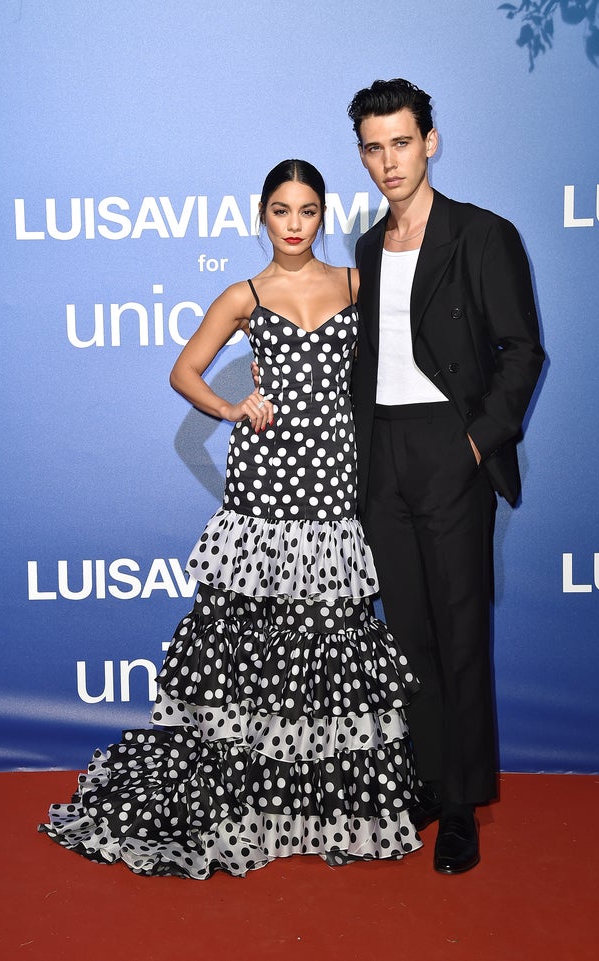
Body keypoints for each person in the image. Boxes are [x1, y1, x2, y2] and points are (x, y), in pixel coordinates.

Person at [38, 159, 422, 878]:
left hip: (335, 480)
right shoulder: (244, 294)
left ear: (323, 215)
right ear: (262, 215)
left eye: (308, 210)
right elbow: (184, 371)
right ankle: (247, 798)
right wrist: (231, 406)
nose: (295, 224)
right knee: (250, 639)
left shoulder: (354, 284)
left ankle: (314, 807)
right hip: (264, 486)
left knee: (328, 634)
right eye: (282, 210)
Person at [346, 79, 545, 874]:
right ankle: (427, 779)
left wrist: (472, 445)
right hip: (382, 450)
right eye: (372, 147)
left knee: (461, 631)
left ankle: (461, 803)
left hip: (446, 444)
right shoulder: (366, 247)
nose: (388, 161)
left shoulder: (480, 235)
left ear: (430, 141)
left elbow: (522, 351)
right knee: (407, 635)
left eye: (401, 141)